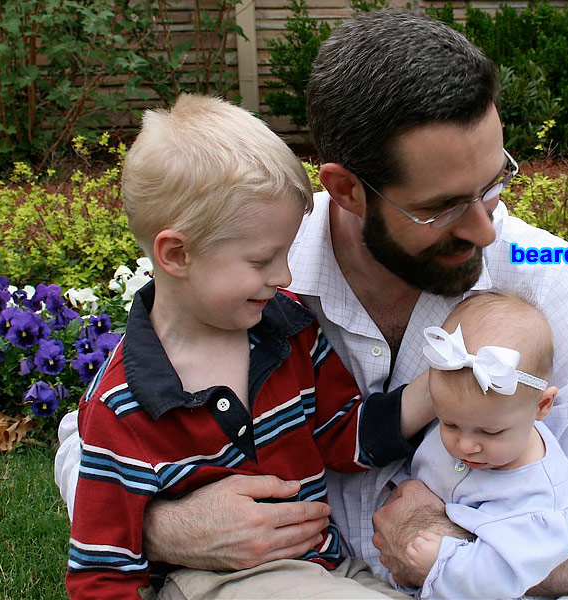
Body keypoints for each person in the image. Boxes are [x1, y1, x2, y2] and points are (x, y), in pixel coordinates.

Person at [56, 9, 568, 598]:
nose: (483, 228)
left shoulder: (537, 274)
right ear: (345, 190)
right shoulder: (246, 271)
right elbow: (87, 441)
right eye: (440, 206)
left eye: (494, 181)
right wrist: (165, 526)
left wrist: (476, 557)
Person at [64, 93, 432, 599]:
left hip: (326, 569)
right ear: (176, 253)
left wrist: (433, 392)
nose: (284, 275)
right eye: (263, 260)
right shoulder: (124, 404)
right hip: (213, 580)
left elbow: (344, 436)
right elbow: (101, 569)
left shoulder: (288, 333)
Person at [398, 292, 568, 599]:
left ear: (542, 405)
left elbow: (502, 575)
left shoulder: (540, 501)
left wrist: (441, 561)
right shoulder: (473, 416)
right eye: (449, 424)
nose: (466, 445)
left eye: (489, 432)